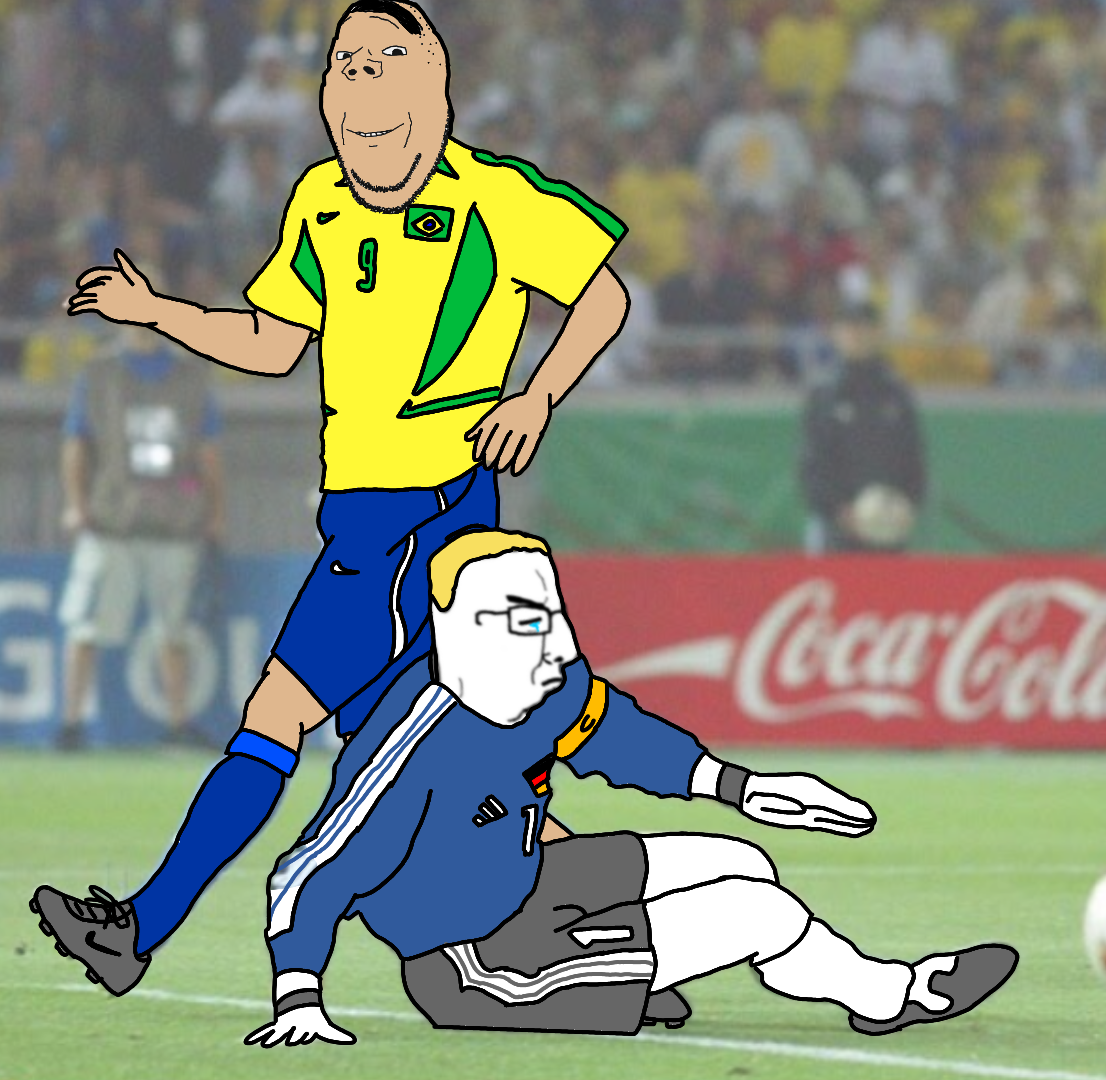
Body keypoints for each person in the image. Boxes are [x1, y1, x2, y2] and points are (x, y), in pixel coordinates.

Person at [31, 0, 630, 987]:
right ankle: (629, 934)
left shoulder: (494, 197)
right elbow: (272, 343)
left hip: (429, 520)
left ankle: (138, 930)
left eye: (380, 64)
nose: (357, 86)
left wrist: (536, 394)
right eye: (343, 68)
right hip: (366, 521)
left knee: (281, 718)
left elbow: (602, 293)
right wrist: (158, 312)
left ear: (432, 95)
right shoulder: (321, 201)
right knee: (465, 768)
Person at [234, 530, 1018, 1045]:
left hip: (530, 884)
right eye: (531, 622)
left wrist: (741, 787)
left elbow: (617, 737)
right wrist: (299, 995)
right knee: (757, 910)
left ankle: (641, 980)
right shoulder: (414, 747)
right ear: (469, 628)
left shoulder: (547, 690)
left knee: (742, 861)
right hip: (475, 964)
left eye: (554, 617)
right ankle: (891, 995)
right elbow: (310, 869)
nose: (560, 647)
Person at [55, 326, 226, 749]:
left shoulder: (191, 377)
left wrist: (214, 512)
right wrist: (76, 503)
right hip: (112, 519)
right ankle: (71, 723)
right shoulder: (97, 374)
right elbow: (76, 444)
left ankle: (178, 723)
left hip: (174, 521)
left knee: (174, 630)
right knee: (86, 624)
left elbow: (208, 453)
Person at [800, 303, 927, 554]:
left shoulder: (895, 393)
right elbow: (812, 462)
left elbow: (913, 456)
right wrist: (837, 510)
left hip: (889, 525)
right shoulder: (824, 394)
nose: (856, 334)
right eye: (848, 327)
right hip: (838, 531)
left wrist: (908, 504)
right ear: (835, 333)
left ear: (878, 333)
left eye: (864, 326)